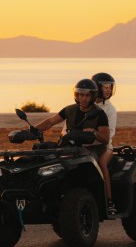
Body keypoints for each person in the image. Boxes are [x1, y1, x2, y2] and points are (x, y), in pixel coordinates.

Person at [35, 78, 114, 214]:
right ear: (76, 95)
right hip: (70, 148)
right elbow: (50, 122)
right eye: (81, 95)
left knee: (85, 164)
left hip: (92, 149)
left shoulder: (100, 114)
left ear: (93, 96)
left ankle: (108, 201)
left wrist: (94, 133)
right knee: (47, 157)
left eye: (87, 95)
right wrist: (31, 130)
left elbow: (106, 139)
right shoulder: (69, 110)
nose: (83, 98)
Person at [92, 72, 118, 215]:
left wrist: (93, 136)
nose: (108, 90)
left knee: (102, 163)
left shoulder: (110, 109)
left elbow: (110, 133)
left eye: (110, 87)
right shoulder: (85, 105)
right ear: (96, 87)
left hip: (105, 146)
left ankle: (109, 201)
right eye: (105, 87)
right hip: (85, 146)